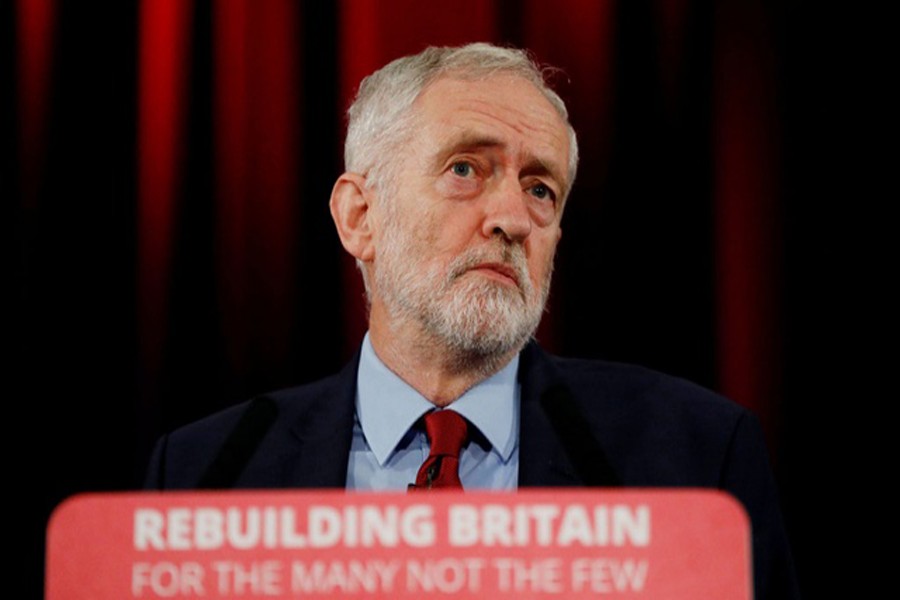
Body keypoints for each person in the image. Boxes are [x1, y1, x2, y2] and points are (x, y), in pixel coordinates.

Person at [145, 43, 799, 598]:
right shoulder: (207, 471)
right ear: (359, 218)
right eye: (466, 169)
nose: (513, 219)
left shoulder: (698, 456)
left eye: (540, 188)